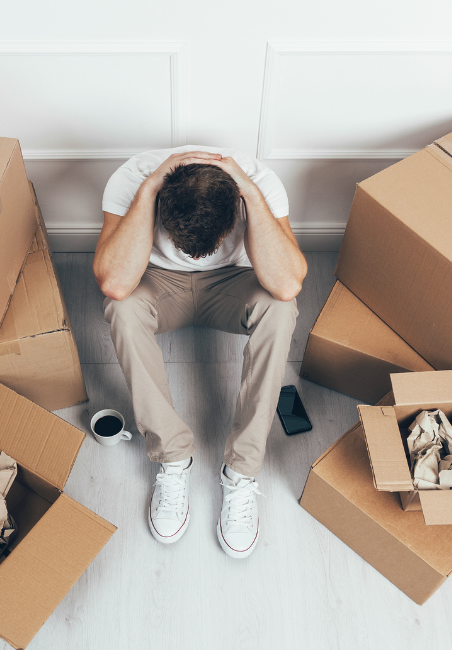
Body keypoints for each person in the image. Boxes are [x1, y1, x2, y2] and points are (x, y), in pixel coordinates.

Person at [94, 146, 307, 558]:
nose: (194, 257)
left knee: (281, 309)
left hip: (232, 284)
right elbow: (116, 282)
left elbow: (286, 284)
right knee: (121, 305)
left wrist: (249, 193)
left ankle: (241, 470)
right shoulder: (132, 179)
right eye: (183, 244)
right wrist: (150, 188)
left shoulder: (259, 183)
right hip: (160, 284)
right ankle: (172, 458)